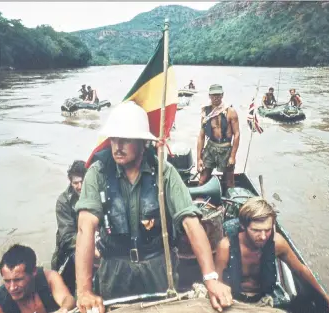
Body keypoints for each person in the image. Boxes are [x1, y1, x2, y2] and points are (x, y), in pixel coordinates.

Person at [74, 101, 233, 313]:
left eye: (126, 139)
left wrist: (211, 277)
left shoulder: (164, 172)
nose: (117, 146)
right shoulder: (97, 173)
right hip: (114, 268)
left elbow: (190, 223)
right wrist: (84, 291)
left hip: (157, 266)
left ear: (143, 143)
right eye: (114, 138)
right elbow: (86, 226)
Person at [215, 197, 329, 312]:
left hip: (263, 300)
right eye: (256, 230)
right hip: (234, 301)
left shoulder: (277, 242)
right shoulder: (226, 247)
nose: (263, 237)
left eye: (267, 230)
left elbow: (301, 271)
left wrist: (327, 299)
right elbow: (217, 283)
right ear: (243, 226)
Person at [0, 244, 76, 313]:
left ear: (33, 271)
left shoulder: (50, 278)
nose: (12, 287)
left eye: (18, 280)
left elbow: (68, 299)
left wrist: (63, 310)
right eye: (7, 281)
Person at [51, 160, 87, 294]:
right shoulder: (63, 201)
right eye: (75, 183)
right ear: (70, 181)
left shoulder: (95, 193)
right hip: (68, 251)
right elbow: (67, 237)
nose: (80, 186)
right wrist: (89, 245)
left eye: (83, 182)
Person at [197, 84, 240, 192]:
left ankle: (230, 202)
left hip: (225, 148)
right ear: (209, 96)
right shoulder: (205, 113)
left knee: (229, 181)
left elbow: (237, 134)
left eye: (218, 95)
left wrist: (232, 156)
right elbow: (201, 136)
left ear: (222, 95)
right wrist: (199, 158)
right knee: (202, 178)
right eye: (213, 95)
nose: (216, 97)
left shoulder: (230, 112)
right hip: (211, 147)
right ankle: (198, 200)